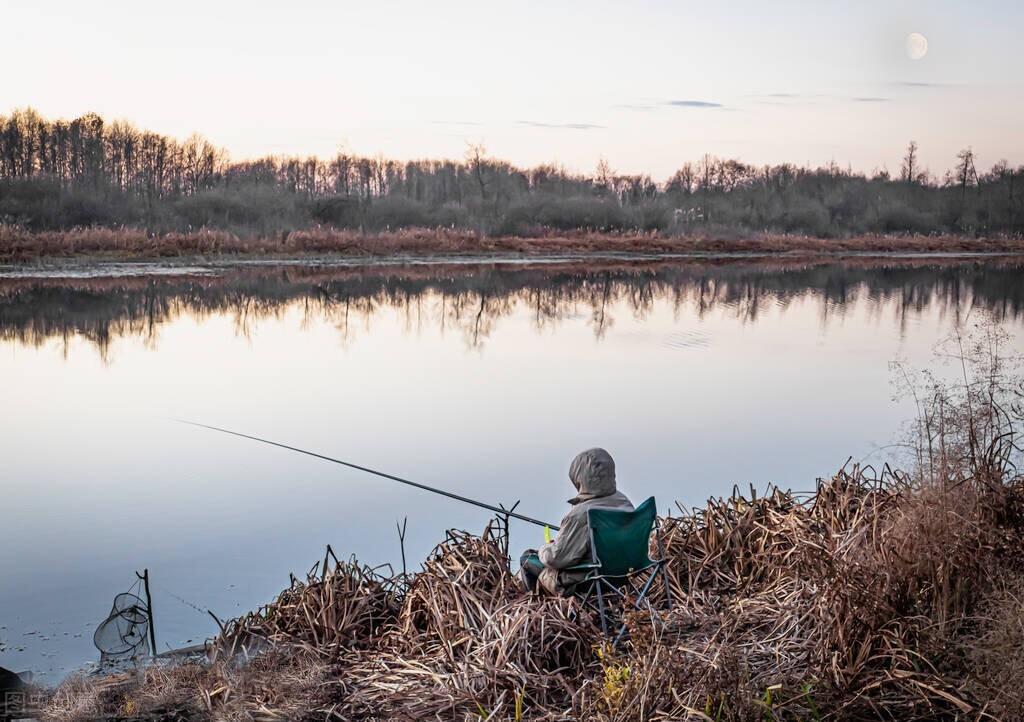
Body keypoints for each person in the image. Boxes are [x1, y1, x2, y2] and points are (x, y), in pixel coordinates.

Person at [519, 447, 633, 595]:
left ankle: (536, 610)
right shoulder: (624, 502)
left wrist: (545, 548)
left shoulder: (581, 514)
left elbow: (556, 559)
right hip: (624, 575)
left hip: (590, 580)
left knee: (527, 557)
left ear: (580, 478)